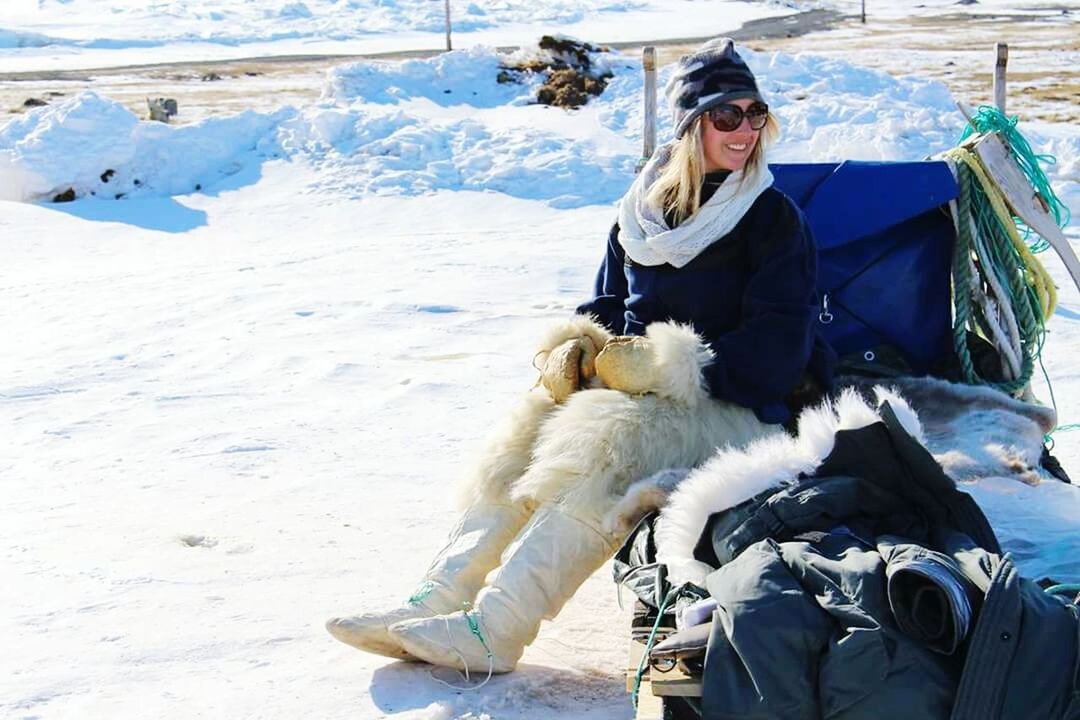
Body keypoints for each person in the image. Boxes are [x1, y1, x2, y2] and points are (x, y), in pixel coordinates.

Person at [325, 37, 836, 676]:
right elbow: (607, 306)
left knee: (608, 442)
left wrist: (669, 367)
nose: (744, 131)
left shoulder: (772, 219)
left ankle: (496, 628)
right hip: (644, 395)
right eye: (725, 115)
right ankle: (436, 597)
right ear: (688, 125)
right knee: (528, 433)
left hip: (740, 407)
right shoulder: (644, 212)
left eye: (754, 114)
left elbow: (779, 351)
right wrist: (576, 351)